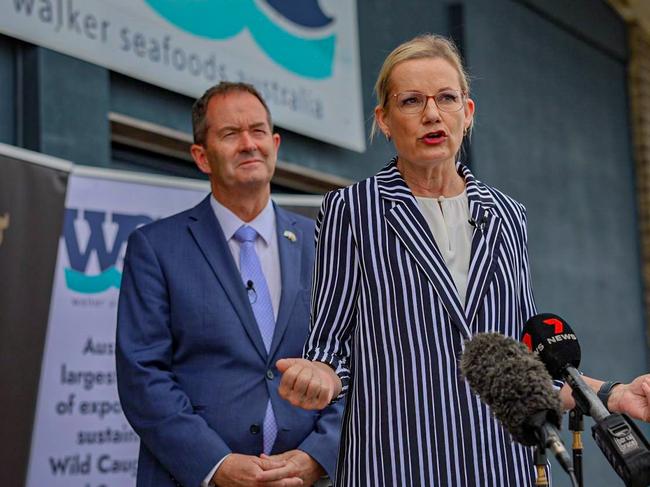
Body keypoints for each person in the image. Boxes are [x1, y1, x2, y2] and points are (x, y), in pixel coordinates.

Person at [276, 34, 650, 486]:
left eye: (446, 98)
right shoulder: (352, 210)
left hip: (503, 467)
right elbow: (330, 346)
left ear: (467, 113)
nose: (432, 114)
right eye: (411, 101)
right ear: (385, 120)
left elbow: (526, 366)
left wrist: (614, 393)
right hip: (396, 464)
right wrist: (319, 374)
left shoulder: (508, 216)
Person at [116, 81, 343, 487]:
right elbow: (142, 375)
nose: (248, 144)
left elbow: (357, 361)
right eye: (230, 134)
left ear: (275, 144)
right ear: (202, 157)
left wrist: (317, 456)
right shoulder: (155, 248)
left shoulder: (326, 244)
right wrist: (216, 465)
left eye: (257, 131)